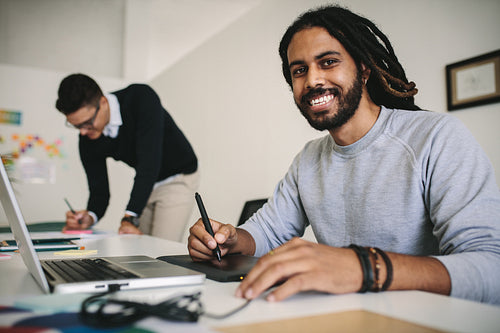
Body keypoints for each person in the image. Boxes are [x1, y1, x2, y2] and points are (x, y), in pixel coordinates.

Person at [187, 5, 500, 304]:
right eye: (299, 70)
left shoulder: (436, 136)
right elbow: (265, 232)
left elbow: (490, 268)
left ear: (363, 69)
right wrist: (226, 240)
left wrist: (364, 267)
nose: (312, 80)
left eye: (328, 62)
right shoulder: (308, 159)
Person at [56, 74, 199, 241]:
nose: (83, 132)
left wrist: (129, 218)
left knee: (161, 251)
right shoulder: (87, 137)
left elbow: (149, 163)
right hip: (148, 184)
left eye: (87, 122)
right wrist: (90, 216)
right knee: (140, 248)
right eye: (76, 126)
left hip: (178, 178)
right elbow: (99, 191)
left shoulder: (141, 97)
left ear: (102, 103)